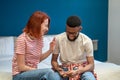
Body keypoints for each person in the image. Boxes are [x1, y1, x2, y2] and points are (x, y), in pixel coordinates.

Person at [12, 11, 57, 80]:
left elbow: (37, 60)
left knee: (53, 73)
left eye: (47, 26)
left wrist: (50, 50)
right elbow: (21, 67)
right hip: (19, 75)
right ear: (37, 25)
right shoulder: (22, 40)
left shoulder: (40, 38)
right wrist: (38, 72)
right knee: (48, 72)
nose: (47, 29)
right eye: (45, 25)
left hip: (31, 73)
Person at [51, 16, 97, 80]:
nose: (71, 35)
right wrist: (58, 69)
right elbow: (54, 61)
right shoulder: (58, 39)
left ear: (80, 29)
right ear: (66, 27)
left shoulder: (87, 41)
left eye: (73, 33)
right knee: (53, 78)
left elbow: (91, 65)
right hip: (65, 69)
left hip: (82, 69)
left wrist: (78, 71)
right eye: (68, 32)